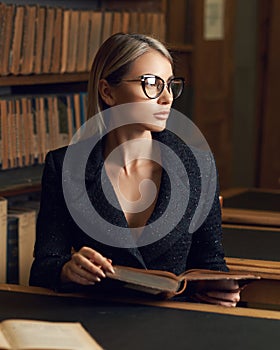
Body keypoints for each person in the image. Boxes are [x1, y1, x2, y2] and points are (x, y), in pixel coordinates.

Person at [30, 33, 240, 307]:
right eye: (151, 84)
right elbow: (43, 269)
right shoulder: (64, 168)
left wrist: (222, 290)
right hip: (96, 321)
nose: (166, 98)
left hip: (174, 327)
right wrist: (66, 271)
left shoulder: (199, 167)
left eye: (169, 85)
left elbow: (211, 264)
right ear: (108, 92)